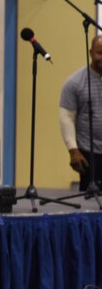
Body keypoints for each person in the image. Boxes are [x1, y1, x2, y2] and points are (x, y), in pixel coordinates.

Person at [59, 34, 102, 191]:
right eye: (99, 53)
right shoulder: (74, 82)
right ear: (91, 53)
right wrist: (73, 150)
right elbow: (67, 118)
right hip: (89, 154)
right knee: (90, 203)